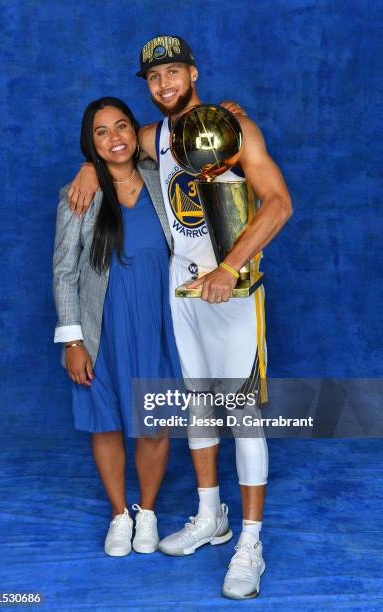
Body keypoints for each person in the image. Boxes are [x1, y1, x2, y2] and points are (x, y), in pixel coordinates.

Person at [67, 35, 293, 599]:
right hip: (179, 287)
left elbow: (279, 203)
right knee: (196, 404)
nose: (164, 85)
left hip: (232, 288)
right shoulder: (154, 136)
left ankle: (250, 543)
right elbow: (111, 148)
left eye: (173, 73)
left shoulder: (235, 128)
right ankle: (210, 514)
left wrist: (230, 265)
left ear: (193, 73)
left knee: (240, 412)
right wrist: (89, 169)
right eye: (153, 78)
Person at [53, 96, 182, 558]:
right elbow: (65, 272)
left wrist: (228, 112)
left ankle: (147, 512)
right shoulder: (81, 194)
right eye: (102, 132)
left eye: (122, 126)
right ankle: (118, 515)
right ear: (90, 143)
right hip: (101, 327)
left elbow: (178, 132)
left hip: (159, 322)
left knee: (155, 421)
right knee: (104, 423)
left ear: (136, 131)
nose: (115, 138)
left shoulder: (162, 178)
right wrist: (73, 340)